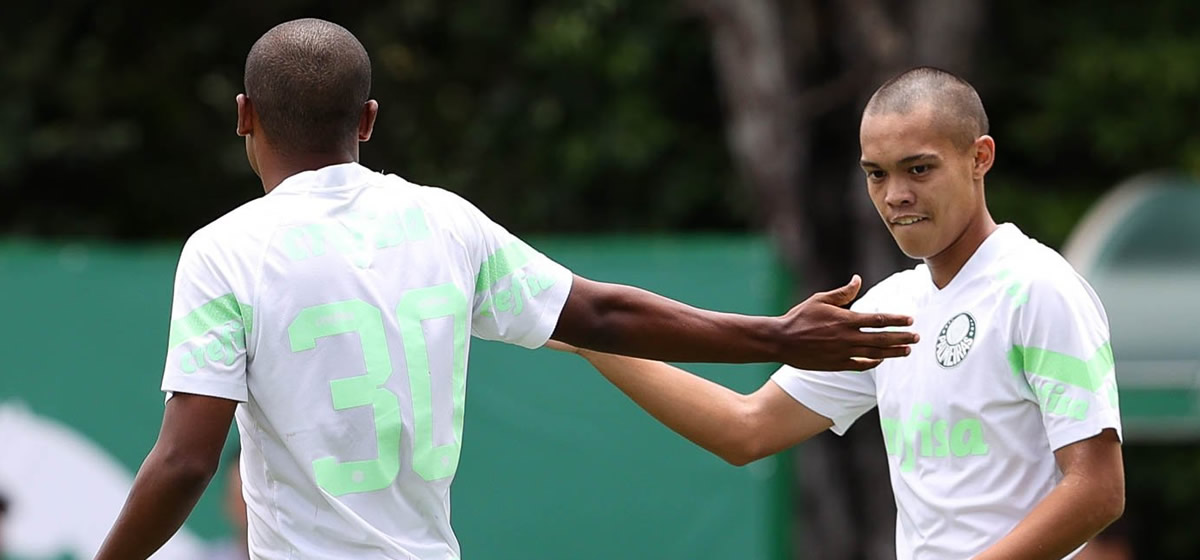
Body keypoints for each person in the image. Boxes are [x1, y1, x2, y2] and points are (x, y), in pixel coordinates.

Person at [93, 18, 917, 560]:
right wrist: (770, 335)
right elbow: (602, 312)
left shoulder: (226, 250)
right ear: (369, 119)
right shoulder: (443, 222)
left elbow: (185, 461)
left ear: (243, 115)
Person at [553, 67, 1124, 560]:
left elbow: (1098, 489)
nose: (895, 193)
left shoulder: (1039, 287)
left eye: (918, 169)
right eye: (877, 173)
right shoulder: (891, 307)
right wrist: (592, 340)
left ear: (980, 157)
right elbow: (745, 429)